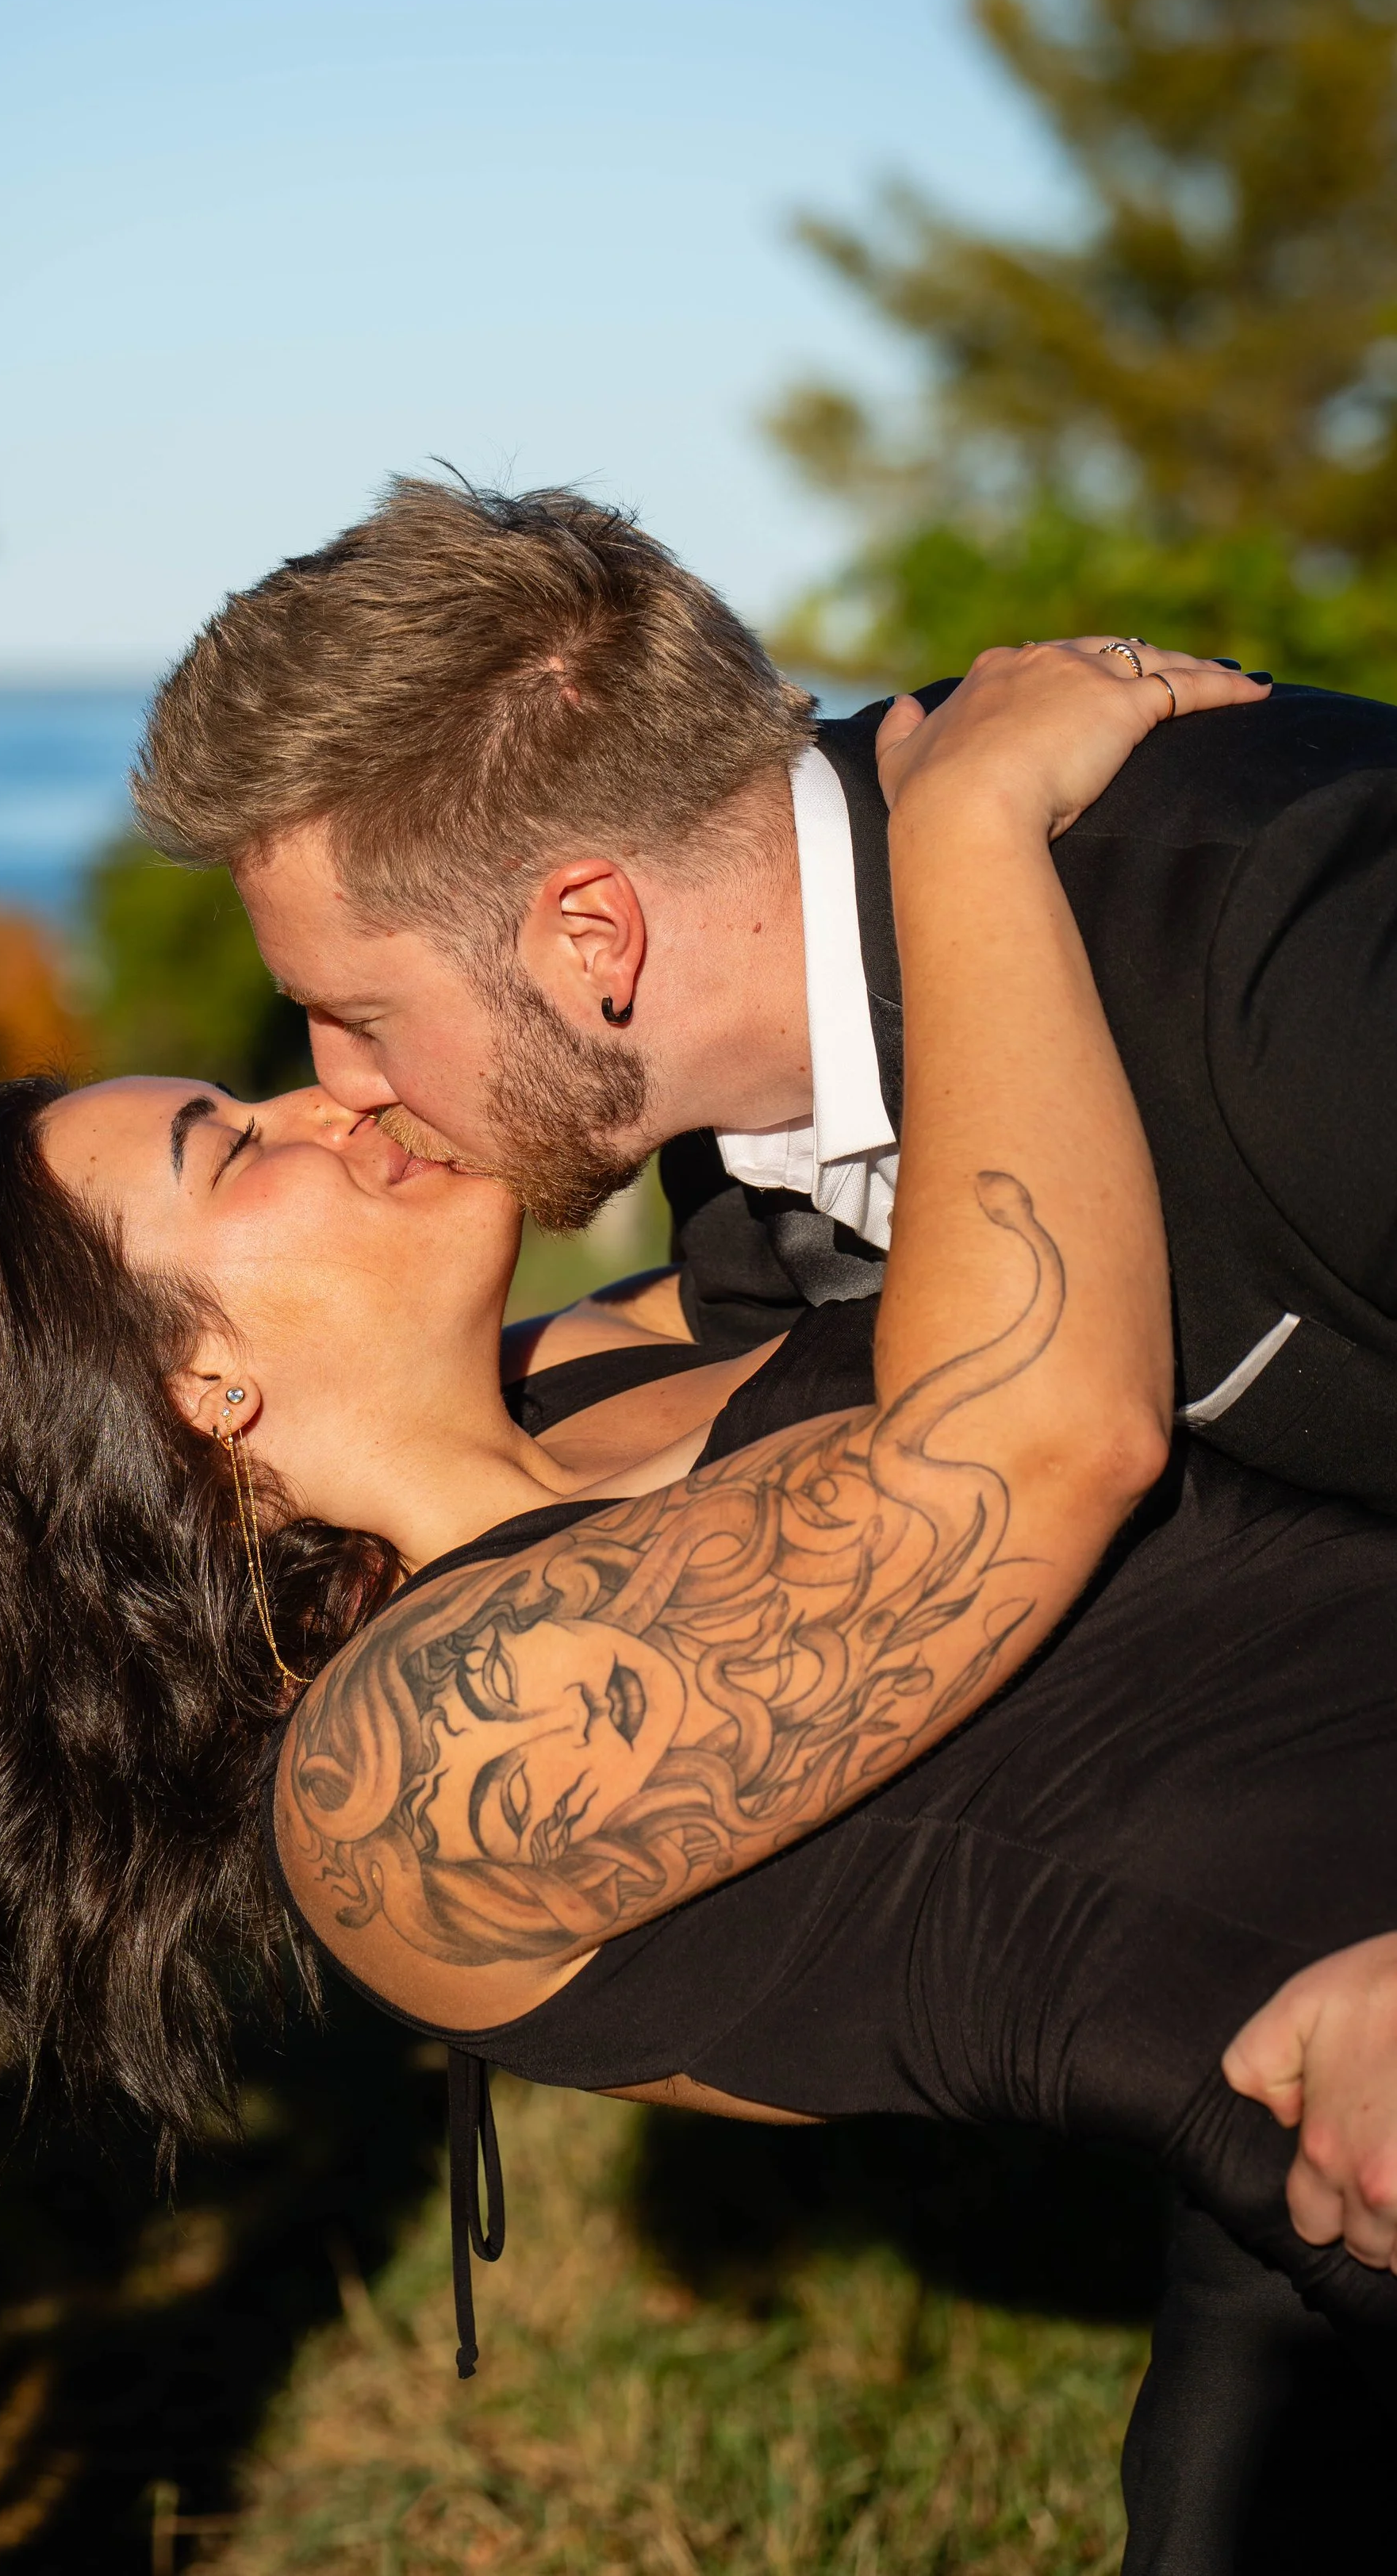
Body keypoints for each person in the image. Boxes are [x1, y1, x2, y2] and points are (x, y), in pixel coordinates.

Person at [0, 647, 1394, 2573]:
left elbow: (832, 1103)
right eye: (228, 1150)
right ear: (193, 1393)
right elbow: (1033, 1434)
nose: (326, 1097)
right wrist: (964, 824)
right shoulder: (402, 1778)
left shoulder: (585, 1373)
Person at [131, 474, 1397, 2316]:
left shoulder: (1276, 941)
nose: (341, 1086)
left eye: (355, 1013)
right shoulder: (745, 1187)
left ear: (588, 936)